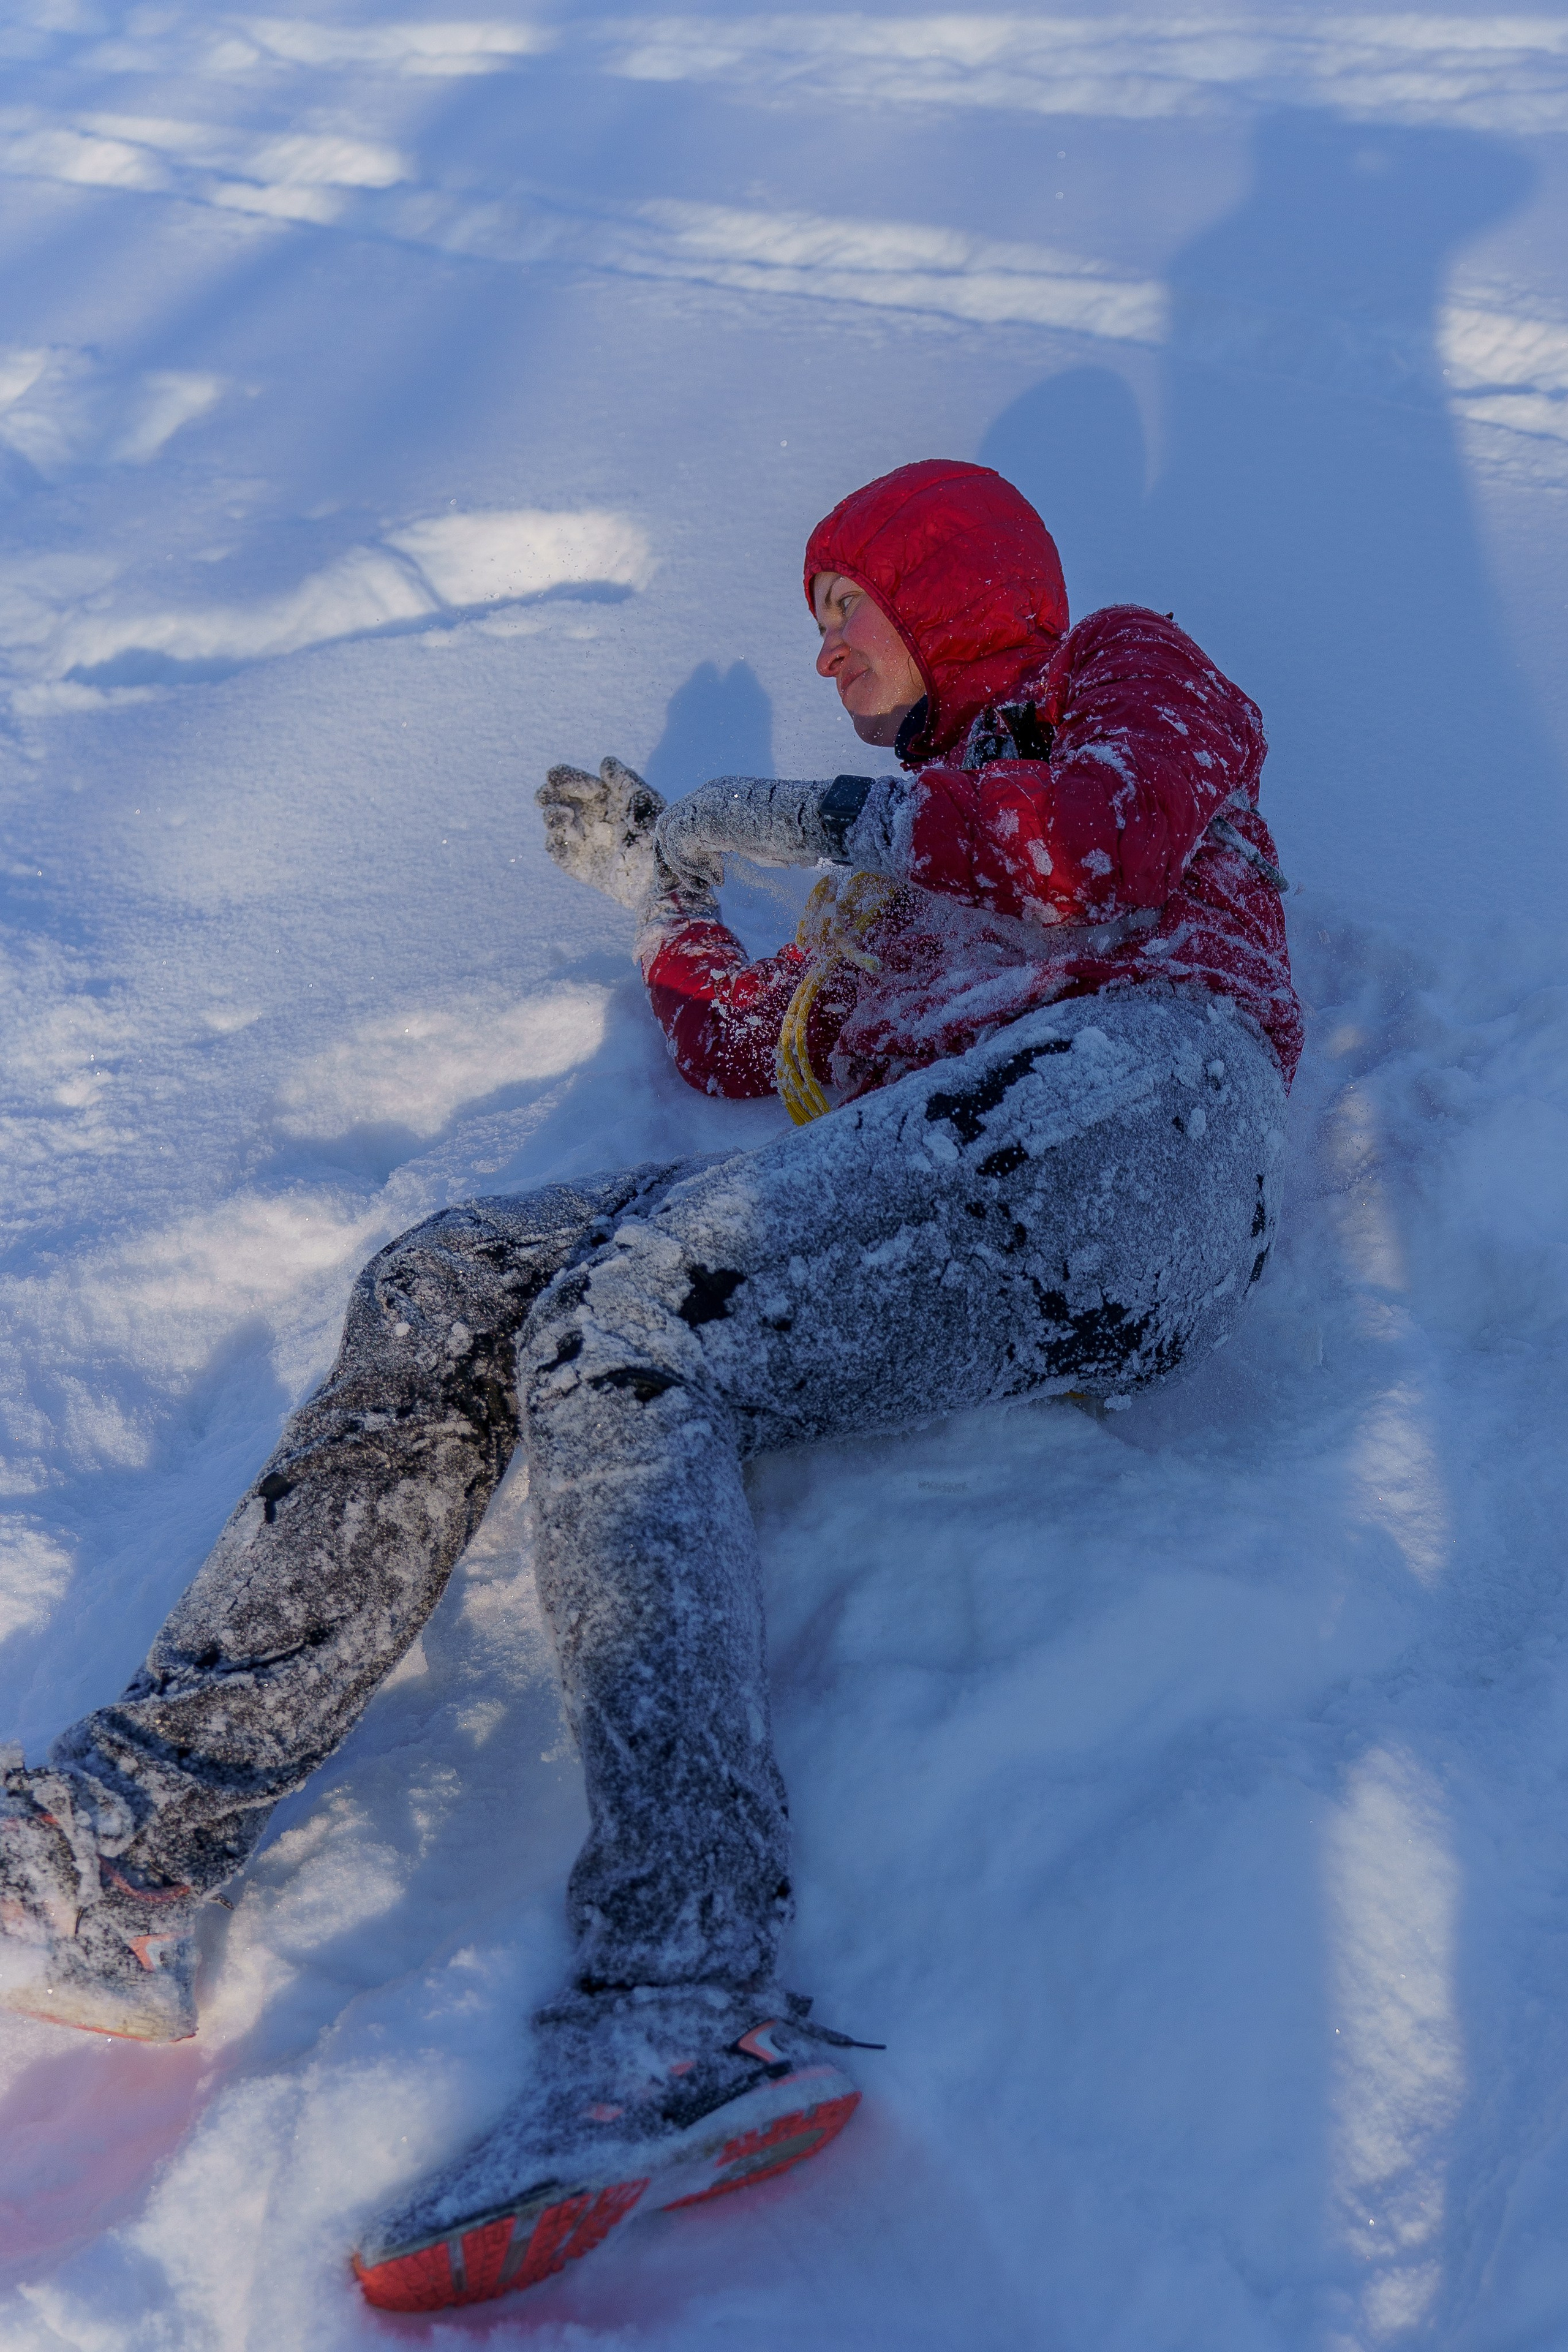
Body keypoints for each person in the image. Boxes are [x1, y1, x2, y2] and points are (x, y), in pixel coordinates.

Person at [0, 459, 1299, 2313]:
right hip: (958, 1164)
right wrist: (660, 888)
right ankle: (126, 1849)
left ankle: (690, 1997)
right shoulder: (879, 913)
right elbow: (753, 1041)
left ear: (954, 591)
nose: (823, 651)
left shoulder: (1118, 671)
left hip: (1148, 1112)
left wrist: (810, 813)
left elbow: (1098, 847)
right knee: (454, 1281)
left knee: (635, 1310)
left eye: (846, 607)